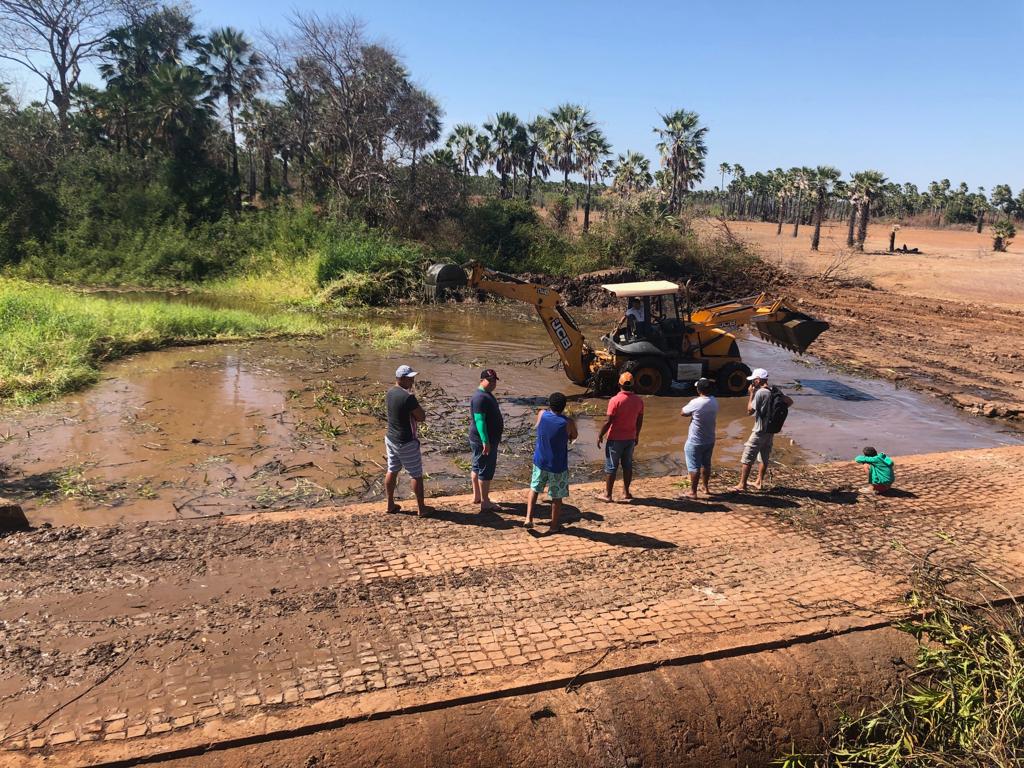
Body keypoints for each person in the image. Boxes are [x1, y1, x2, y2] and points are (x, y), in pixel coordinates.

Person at [525, 392, 578, 533]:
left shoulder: (542, 414)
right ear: (564, 407)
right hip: (557, 465)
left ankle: (528, 518)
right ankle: (554, 526)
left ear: (550, 404)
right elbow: (574, 436)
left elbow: (537, 425)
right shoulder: (568, 422)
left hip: (540, 460)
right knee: (556, 496)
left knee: (534, 488)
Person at [733, 368, 792, 492]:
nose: (752, 383)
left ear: (758, 380)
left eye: (753, 380)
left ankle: (742, 485)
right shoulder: (774, 391)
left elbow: (750, 411)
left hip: (759, 430)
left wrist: (751, 394)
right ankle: (759, 482)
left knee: (747, 457)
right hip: (770, 430)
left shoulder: (760, 393)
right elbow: (789, 401)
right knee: (764, 457)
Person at [384, 364, 428, 515]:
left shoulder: (390, 393)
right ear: (401, 379)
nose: (413, 381)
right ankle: (422, 508)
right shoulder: (408, 397)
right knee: (416, 474)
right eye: (410, 378)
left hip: (391, 438)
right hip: (406, 441)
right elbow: (421, 417)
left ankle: (390, 504)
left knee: (392, 470)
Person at [596, 372, 644, 502]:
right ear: (633, 385)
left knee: (611, 466)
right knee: (627, 465)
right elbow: (639, 421)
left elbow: (608, 421)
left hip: (615, 439)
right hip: (630, 438)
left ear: (619, 384)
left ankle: (608, 494)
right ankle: (626, 492)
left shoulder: (615, 400)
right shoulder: (639, 401)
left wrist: (600, 434)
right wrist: (637, 435)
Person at [469, 368, 504, 512]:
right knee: (485, 469)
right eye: (489, 381)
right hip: (483, 440)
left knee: (477, 466)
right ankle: (485, 502)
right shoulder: (480, 398)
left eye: (494, 380)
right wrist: (485, 441)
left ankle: (477, 496)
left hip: (481, 439)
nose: (492, 383)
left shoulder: (485, 395)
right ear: (481, 380)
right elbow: (479, 420)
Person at [681, 377, 719, 498]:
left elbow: (682, 412)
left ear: (698, 390)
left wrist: (692, 414)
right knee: (706, 464)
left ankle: (693, 492)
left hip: (695, 440)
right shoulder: (714, 401)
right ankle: (706, 487)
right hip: (710, 439)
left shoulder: (696, 402)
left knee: (694, 466)